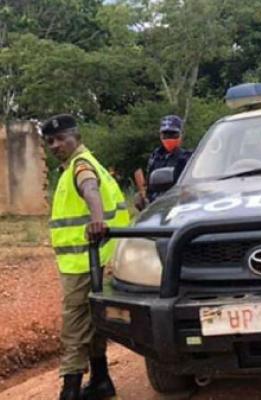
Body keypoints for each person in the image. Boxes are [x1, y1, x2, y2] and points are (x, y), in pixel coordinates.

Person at [42, 114, 130, 400]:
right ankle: (101, 379)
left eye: (60, 138)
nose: (55, 145)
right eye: (49, 141)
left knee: (74, 327)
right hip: (95, 260)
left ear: (76, 138)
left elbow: (90, 189)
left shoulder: (81, 166)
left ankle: (69, 392)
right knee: (93, 323)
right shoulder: (86, 164)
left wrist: (97, 219)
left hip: (81, 263)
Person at [136, 115, 192, 210]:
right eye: (165, 135)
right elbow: (148, 186)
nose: (169, 138)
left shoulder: (187, 158)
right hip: (156, 205)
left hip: (178, 204)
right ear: (160, 136)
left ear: (181, 135)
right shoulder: (155, 157)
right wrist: (143, 198)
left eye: (173, 135)